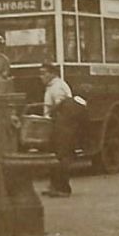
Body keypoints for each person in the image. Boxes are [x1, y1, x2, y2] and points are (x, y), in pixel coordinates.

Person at [40, 62, 85, 198]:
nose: (41, 76)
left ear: (52, 73)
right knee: (56, 157)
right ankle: (55, 185)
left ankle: (63, 188)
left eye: (44, 73)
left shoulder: (58, 87)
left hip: (62, 127)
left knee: (61, 157)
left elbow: (61, 109)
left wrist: (50, 117)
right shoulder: (52, 86)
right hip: (58, 127)